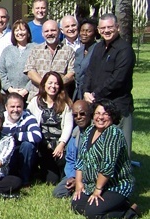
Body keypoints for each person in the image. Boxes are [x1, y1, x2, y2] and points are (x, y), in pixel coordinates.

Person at [71, 99, 138, 219]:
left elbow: (107, 166)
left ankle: (127, 211)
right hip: (93, 184)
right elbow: (80, 160)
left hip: (115, 186)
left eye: (105, 114)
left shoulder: (113, 133)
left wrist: (97, 190)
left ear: (112, 116)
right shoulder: (89, 131)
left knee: (92, 214)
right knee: (77, 205)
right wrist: (79, 184)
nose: (100, 117)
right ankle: (116, 204)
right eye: (97, 113)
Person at [83, 14, 135, 159]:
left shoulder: (125, 50)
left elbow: (118, 79)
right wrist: (86, 90)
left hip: (118, 107)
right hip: (98, 106)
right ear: (98, 30)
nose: (106, 30)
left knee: (120, 151)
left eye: (110, 27)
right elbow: (90, 71)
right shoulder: (98, 47)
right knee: (99, 149)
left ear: (117, 28)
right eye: (103, 28)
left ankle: (121, 181)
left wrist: (94, 94)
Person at [28, 71, 73, 184]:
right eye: (50, 83)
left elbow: (68, 126)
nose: (53, 86)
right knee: (51, 181)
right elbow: (28, 121)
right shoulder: (35, 102)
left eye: (56, 83)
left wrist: (61, 144)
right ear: (44, 84)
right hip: (42, 146)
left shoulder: (65, 103)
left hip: (59, 146)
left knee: (59, 178)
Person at [24, 20, 75, 102]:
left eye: (53, 30)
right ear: (42, 34)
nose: (50, 33)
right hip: (37, 97)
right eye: (46, 31)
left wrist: (56, 85)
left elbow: (71, 73)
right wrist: (46, 85)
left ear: (59, 32)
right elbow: (30, 72)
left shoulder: (68, 51)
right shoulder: (36, 50)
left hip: (60, 99)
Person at [53, 100, 92, 198]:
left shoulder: (97, 132)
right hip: (76, 174)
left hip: (92, 176)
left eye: (82, 114)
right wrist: (72, 177)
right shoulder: (75, 134)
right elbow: (70, 160)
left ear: (90, 114)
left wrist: (80, 179)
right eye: (75, 115)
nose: (78, 117)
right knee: (58, 192)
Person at [1, 93, 41, 187]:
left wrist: (15, 135)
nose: (15, 110)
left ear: (23, 107)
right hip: (6, 156)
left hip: (23, 155)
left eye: (19, 106)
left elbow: (37, 136)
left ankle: (25, 180)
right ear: (6, 107)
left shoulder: (28, 117)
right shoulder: (0, 118)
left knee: (28, 145)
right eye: (12, 106)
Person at [0, 20, 33, 99]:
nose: (20, 33)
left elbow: (39, 72)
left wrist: (26, 90)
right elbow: (0, 72)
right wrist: (10, 89)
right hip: (8, 95)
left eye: (23, 30)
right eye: (17, 30)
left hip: (29, 95)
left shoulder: (35, 49)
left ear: (28, 33)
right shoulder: (7, 50)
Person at [73, 19, 98, 101]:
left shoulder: (98, 50)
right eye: (82, 30)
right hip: (77, 93)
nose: (84, 34)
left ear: (95, 33)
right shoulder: (79, 51)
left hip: (91, 92)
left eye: (88, 31)